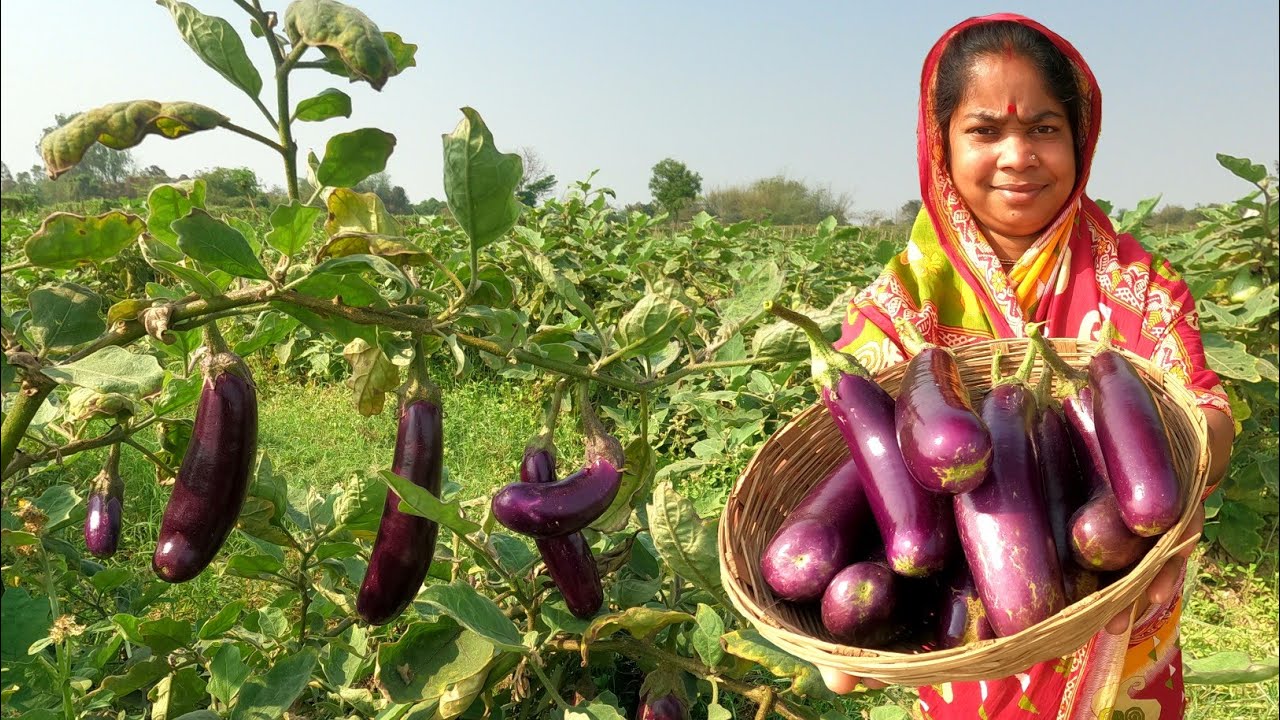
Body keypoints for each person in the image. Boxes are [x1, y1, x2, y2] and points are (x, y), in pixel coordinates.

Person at [820, 13, 1236, 719]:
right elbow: (866, 467)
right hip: (965, 654)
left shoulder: (1142, 286)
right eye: (985, 131)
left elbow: (1208, 410)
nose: (1018, 156)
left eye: (1044, 128)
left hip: (1122, 632)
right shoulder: (902, 301)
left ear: (1079, 140)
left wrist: (1185, 486)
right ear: (941, 146)